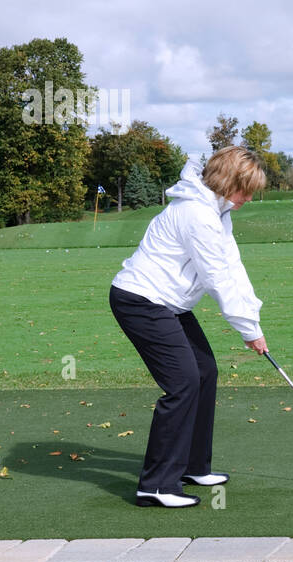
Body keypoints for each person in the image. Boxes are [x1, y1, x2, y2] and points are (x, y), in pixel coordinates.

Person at [109, 146, 269, 508]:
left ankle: (193, 465)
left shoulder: (218, 212)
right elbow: (216, 279)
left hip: (170, 304)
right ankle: (156, 485)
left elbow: (233, 268)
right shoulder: (196, 214)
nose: (247, 198)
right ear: (227, 182)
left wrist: (253, 320)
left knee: (204, 371)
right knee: (182, 383)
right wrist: (248, 330)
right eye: (245, 189)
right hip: (140, 301)